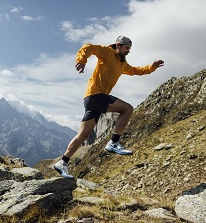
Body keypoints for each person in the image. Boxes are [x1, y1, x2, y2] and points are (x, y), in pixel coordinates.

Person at [54, 35, 164, 179]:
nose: (128, 51)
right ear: (118, 45)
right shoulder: (107, 52)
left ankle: (62, 162)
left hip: (93, 99)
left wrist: (151, 68)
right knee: (128, 109)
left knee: (83, 135)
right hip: (95, 95)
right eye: (126, 48)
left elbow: (135, 70)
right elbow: (89, 47)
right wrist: (81, 60)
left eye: (130, 48)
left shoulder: (122, 63)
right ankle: (113, 142)